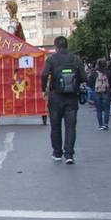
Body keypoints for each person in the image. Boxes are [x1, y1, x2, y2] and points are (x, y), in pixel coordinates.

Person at [41, 36, 85, 164]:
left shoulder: (52, 59)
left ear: (55, 47)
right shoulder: (76, 59)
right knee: (70, 126)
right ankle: (69, 154)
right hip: (72, 97)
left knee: (55, 126)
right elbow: (84, 76)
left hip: (55, 96)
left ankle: (57, 153)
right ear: (67, 45)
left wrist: (44, 89)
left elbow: (44, 74)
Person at [89, 59, 111, 132]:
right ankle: (105, 124)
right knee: (106, 109)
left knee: (99, 109)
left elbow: (90, 83)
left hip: (97, 92)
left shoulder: (94, 73)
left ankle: (100, 125)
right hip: (106, 91)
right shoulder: (109, 73)